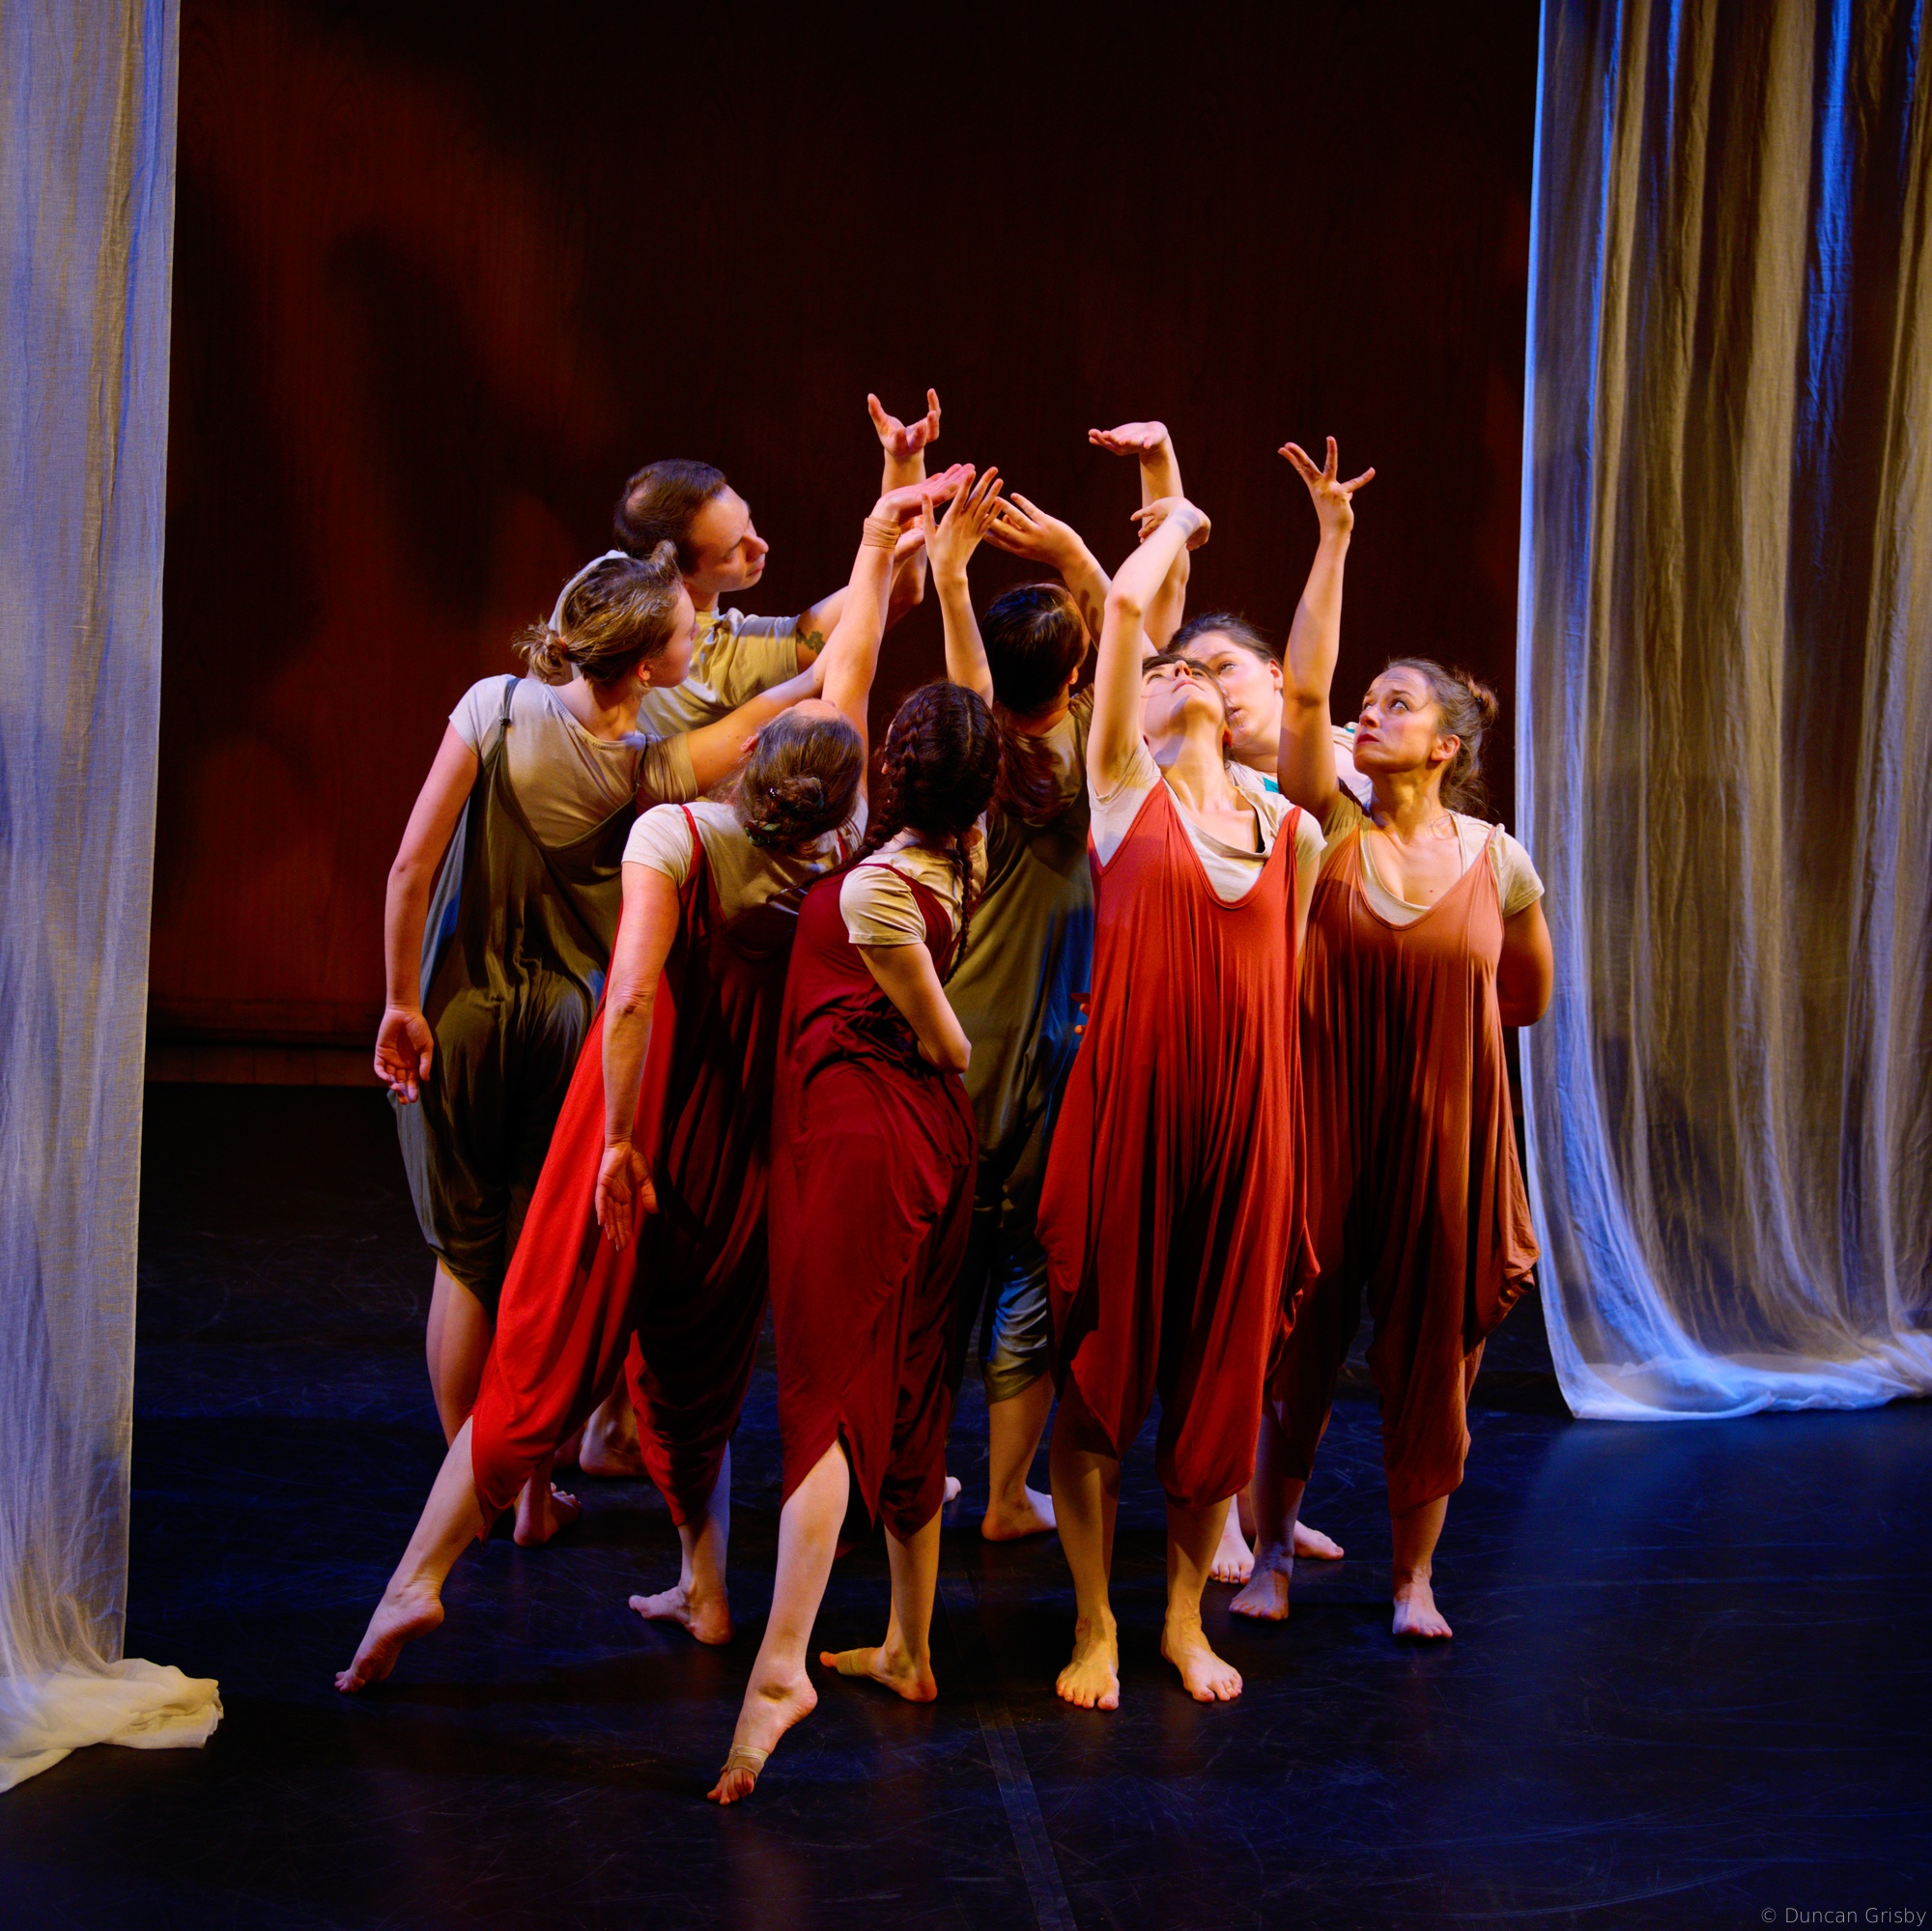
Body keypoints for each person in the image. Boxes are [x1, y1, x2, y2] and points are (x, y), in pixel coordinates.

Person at [334, 474, 945, 1695]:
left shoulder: (675, 828)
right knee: (698, 1356)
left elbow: (626, 999)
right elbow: (842, 677)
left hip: (647, 1105)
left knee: (544, 1323)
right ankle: (705, 1584)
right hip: (747, 1123)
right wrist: (880, 536)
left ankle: (422, 1571)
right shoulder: (844, 845)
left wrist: (617, 1139)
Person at [375, 546, 824, 1539]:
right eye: (686, 630)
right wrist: (849, 627)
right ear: (649, 664)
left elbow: (410, 866)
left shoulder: (492, 709)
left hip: (461, 1014)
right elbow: (770, 712)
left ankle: (471, 1488)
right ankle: (527, 1492)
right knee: (539, 1264)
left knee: (465, 1260)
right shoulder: (644, 765)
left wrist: (401, 1001)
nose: (700, 635)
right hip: (571, 1023)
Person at [1234, 437, 1552, 1640]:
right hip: (1326, 1127)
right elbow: (1301, 698)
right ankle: (1269, 1552)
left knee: (1433, 1363)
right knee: (1296, 1349)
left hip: (1441, 1143)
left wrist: (1441, 1059)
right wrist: (1332, 539)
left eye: (1395, 703)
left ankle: (1412, 1579)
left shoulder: (1497, 858)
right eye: (1364, 702)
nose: (1366, 714)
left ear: (1445, 745)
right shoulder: (1326, 824)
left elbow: (1525, 996)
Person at [709, 673, 1042, 1803]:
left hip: (867, 1146)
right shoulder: (968, 853)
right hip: (920, 1147)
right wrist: (944, 588)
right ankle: (908, 1646)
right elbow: (969, 725)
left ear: (896, 767)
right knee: (904, 1390)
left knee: (825, 1403)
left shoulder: (873, 890)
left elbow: (948, 1044)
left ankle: (778, 1667)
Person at [1035, 488, 1327, 1712]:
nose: (1183, 672)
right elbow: (1119, 607)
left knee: (1221, 1376)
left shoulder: (1292, 829)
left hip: (1247, 1119)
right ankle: (1095, 1621)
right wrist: (1181, 518)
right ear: (1132, 715)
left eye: (1204, 663)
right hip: (1136, 1111)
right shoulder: (1117, 788)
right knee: (1104, 1371)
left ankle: (1180, 1617)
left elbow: (1282, 990)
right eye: (1164, 668)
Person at [620, 391, 942, 742]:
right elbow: (899, 592)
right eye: (731, 552)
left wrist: (902, 458)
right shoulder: (715, 659)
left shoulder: (604, 578)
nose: (760, 547)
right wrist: (903, 466)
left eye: (747, 521)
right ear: (678, 575)